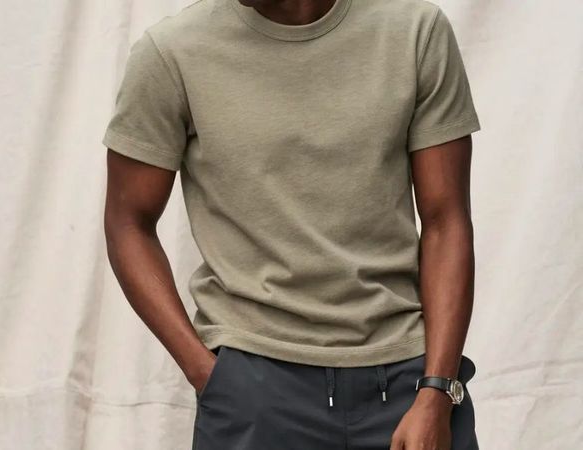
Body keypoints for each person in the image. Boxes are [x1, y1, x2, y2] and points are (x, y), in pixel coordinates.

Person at [101, 0, 482, 448]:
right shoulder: (172, 52)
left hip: (408, 382)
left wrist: (438, 390)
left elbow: (445, 221)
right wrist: (206, 372)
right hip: (255, 385)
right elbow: (128, 221)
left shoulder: (415, 31)